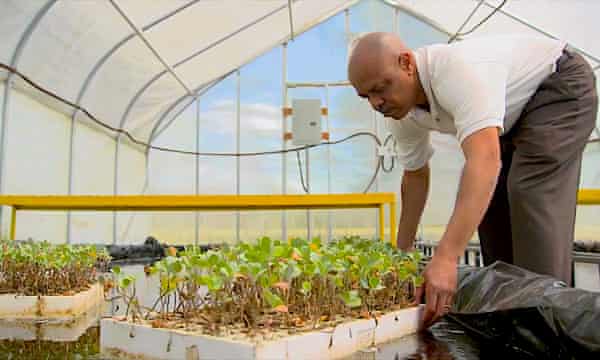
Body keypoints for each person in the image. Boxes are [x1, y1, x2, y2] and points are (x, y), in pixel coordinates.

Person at [347, 32, 598, 328]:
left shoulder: (454, 71)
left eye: (380, 89)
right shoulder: (400, 111)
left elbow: (484, 159)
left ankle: (549, 328)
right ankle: (512, 327)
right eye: (366, 97)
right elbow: (415, 176)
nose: (376, 103)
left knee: (529, 192)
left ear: (406, 63)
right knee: (489, 208)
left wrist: (446, 257)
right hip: (512, 117)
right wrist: (402, 258)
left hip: (558, 86)